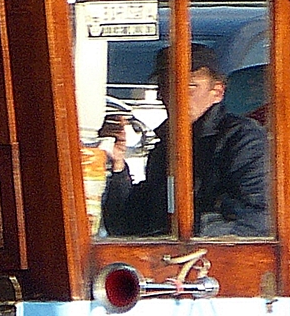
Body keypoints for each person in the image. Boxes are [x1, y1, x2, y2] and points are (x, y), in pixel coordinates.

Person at [101, 45, 269, 237]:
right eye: (166, 86)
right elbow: (126, 225)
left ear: (217, 92)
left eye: (189, 86)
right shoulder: (166, 147)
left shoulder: (242, 138)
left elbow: (260, 218)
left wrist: (184, 232)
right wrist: (118, 165)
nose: (176, 95)